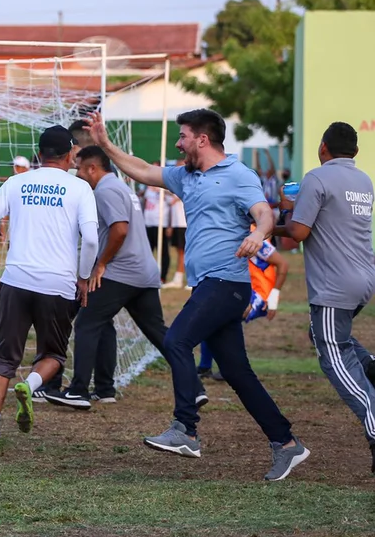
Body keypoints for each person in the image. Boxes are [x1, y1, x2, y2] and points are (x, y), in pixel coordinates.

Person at [88, 108, 309, 481]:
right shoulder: (186, 176)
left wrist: (259, 234)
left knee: (175, 340)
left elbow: (263, 212)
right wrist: (106, 144)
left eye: (183, 137)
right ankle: (287, 445)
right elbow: (141, 170)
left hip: (227, 284)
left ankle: (186, 429)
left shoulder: (239, 175)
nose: (178, 143)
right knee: (238, 374)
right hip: (209, 284)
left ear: (202, 140)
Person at [0, 125, 98, 452]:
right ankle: (29, 385)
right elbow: (92, 240)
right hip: (57, 284)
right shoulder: (80, 188)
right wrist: (84, 277)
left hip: (16, 281)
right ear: (70, 154)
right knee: (53, 354)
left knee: (2, 358)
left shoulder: (17, 182)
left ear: (40, 155)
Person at [48, 146, 208, 410]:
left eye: (79, 168)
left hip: (121, 273)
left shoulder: (105, 190)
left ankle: (78, 391)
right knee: (159, 335)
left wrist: (100, 264)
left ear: (92, 168)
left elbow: (120, 231)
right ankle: (193, 387)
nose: (76, 173)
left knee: (87, 323)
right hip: (144, 273)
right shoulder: (122, 187)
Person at [275, 121, 375, 474]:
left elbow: (297, 233)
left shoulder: (316, 178)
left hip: (336, 284)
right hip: (364, 278)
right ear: (356, 152)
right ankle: (370, 366)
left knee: (332, 353)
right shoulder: (364, 181)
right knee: (328, 335)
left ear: (323, 147)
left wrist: (287, 207)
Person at [198, 230, 289, 380]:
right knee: (210, 317)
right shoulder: (231, 236)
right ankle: (205, 367)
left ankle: (229, 368)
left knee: (222, 320)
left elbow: (283, 264)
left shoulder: (253, 238)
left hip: (259, 295)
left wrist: (273, 298)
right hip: (243, 289)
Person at [163, 170, 188, 289]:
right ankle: (178, 277)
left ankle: (188, 279)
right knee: (179, 251)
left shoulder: (186, 187)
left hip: (184, 224)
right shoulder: (174, 189)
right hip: (177, 223)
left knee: (186, 252)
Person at [141, 185, 171, 284]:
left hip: (160, 224)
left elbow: (171, 202)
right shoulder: (147, 189)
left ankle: (163, 277)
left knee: (163, 252)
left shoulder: (164, 188)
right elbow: (144, 202)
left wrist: (169, 225)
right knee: (147, 251)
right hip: (148, 223)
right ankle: (146, 275)